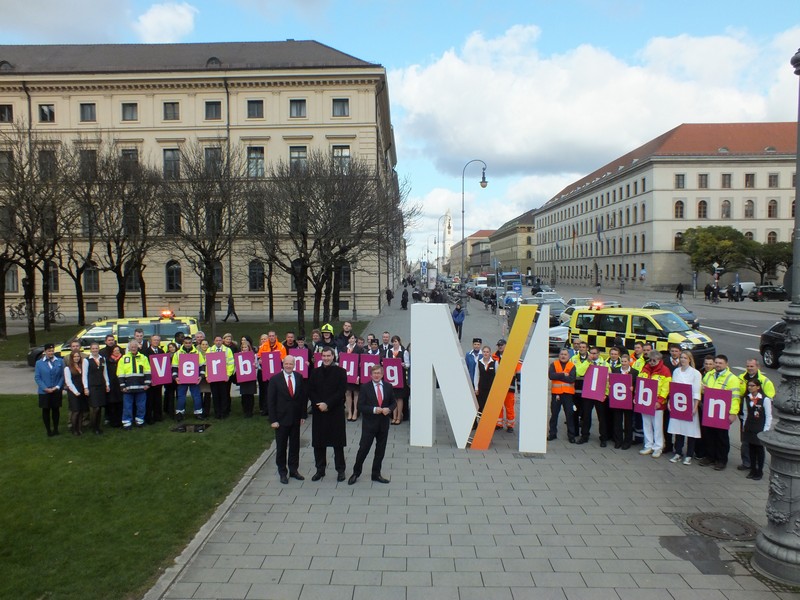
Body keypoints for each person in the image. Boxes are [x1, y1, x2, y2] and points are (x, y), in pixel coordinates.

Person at [349, 364, 396, 485]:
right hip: (369, 425)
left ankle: (376, 474)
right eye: (374, 373)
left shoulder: (388, 386)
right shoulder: (365, 387)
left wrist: (389, 409)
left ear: (382, 374)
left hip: (383, 425)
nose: (376, 375)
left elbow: (393, 403)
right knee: (363, 449)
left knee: (380, 451)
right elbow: (360, 406)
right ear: (371, 375)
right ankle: (356, 472)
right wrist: (375, 409)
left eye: (378, 373)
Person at [308, 348, 348, 482]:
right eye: (324, 356)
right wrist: (319, 404)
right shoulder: (314, 372)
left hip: (335, 411)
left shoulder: (341, 372)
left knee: (338, 443)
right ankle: (320, 470)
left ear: (333, 357)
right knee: (319, 443)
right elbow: (311, 390)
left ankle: (340, 470)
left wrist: (328, 404)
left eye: (328, 356)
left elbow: (341, 391)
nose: (326, 358)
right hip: (319, 412)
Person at [268, 355, 308, 484]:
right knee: (281, 447)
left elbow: (302, 397)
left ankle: (294, 470)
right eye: (286, 364)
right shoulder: (275, 379)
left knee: (295, 446)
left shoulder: (298, 377)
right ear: (283, 364)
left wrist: (303, 415)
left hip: (295, 418)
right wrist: (273, 420)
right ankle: (282, 472)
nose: (289, 366)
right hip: (280, 419)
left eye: (291, 364)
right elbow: (271, 401)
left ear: (294, 365)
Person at [699, 355, 741, 471]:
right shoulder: (709, 374)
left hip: (723, 412)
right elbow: (701, 388)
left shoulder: (732, 379)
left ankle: (721, 460)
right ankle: (710, 457)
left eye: (720, 363)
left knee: (721, 437)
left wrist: (733, 413)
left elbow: (735, 397)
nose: (717, 365)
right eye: (716, 363)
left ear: (726, 364)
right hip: (709, 409)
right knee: (708, 435)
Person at [737, 359, 776, 472]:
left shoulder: (765, 381)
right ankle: (747, 463)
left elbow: (769, 398)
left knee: (757, 444)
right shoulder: (741, 378)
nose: (749, 368)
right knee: (745, 441)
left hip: (759, 418)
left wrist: (766, 427)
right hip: (745, 414)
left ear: (758, 367)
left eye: (752, 366)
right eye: (747, 366)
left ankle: (757, 466)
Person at [668, 351, 702, 465]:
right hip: (678, 404)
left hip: (690, 404)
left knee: (690, 431)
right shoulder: (676, 371)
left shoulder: (696, 373)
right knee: (679, 430)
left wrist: (695, 406)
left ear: (689, 359)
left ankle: (689, 455)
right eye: (681, 357)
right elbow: (673, 388)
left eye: (685, 358)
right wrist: (670, 402)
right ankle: (678, 452)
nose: (683, 360)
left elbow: (697, 391)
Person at [638, 351, 671, 458]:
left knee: (657, 426)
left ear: (659, 360)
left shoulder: (665, 371)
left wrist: (660, 400)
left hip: (657, 403)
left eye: (654, 361)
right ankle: (648, 445)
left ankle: (658, 447)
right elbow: (640, 383)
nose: (651, 362)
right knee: (646, 424)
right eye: (650, 360)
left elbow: (666, 388)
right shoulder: (645, 368)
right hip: (645, 401)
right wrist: (637, 397)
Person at [577, 346, 609, 447]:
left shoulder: (605, 364)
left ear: (599, 354)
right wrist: (587, 361)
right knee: (586, 416)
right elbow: (579, 372)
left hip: (600, 394)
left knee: (602, 417)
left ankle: (603, 438)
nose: (592, 355)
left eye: (595, 353)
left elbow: (608, 381)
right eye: (591, 353)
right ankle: (584, 436)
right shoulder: (587, 362)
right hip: (588, 393)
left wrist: (606, 394)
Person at [117, 340, 151, 430]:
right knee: (127, 406)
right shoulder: (123, 358)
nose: (133, 348)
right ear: (128, 348)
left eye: (135, 347)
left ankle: (140, 421)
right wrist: (122, 386)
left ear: (138, 347)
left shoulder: (143, 358)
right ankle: (127, 423)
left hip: (141, 387)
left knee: (141, 406)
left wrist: (147, 384)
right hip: (127, 388)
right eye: (131, 347)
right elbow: (120, 373)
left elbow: (148, 371)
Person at [742, 380, 772, 480]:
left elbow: (768, 416)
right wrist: (743, 425)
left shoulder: (765, 399)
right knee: (751, 448)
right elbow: (745, 412)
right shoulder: (747, 398)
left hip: (759, 427)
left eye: (752, 385)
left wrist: (766, 429)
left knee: (759, 449)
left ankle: (759, 472)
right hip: (750, 426)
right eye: (749, 385)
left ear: (758, 387)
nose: (750, 387)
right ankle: (753, 470)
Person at [172, 336, 206, 421]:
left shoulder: (197, 353)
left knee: (196, 396)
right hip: (181, 379)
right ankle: (180, 413)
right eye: (186, 343)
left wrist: (201, 377)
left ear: (192, 343)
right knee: (181, 397)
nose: (187, 344)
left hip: (194, 379)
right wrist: (175, 377)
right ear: (183, 343)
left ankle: (198, 413)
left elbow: (202, 366)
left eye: (189, 343)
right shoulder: (177, 353)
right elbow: (174, 367)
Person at [34, 343, 65, 437]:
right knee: (46, 410)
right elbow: (37, 377)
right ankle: (48, 430)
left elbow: (63, 376)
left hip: (56, 390)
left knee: (56, 410)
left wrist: (57, 387)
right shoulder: (39, 363)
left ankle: (56, 429)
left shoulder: (59, 361)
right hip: (44, 392)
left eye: (52, 351)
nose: (51, 352)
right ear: (45, 351)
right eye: (49, 351)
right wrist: (45, 388)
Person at [548, 348, 576, 442]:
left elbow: (572, 379)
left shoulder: (572, 365)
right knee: (554, 415)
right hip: (556, 394)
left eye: (565, 354)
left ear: (568, 356)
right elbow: (551, 376)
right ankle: (552, 434)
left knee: (569, 415)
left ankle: (571, 436)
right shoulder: (554, 364)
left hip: (568, 394)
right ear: (559, 355)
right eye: (561, 354)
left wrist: (558, 375)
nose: (563, 356)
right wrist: (564, 374)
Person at [82, 342, 110, 435]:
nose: (95, 350)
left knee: (100, 407)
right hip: (92, 386)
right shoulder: (86, 360)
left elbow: (105, 373)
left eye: (96, 348)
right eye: (93, 348)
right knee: (96, 407)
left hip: (101, 386)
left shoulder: (103, 359)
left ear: (98, 349)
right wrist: (85, 387)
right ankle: (94, 426)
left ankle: (97, 425)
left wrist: (107, 384)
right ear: (90, 349)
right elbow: (84, 375)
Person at [611, 353, 638, 449]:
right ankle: (618, 441)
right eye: (622, 361)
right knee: (617, 421)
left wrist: (633, 388)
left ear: (629, 362)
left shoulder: (635, 372)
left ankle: (627, 441)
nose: (623, 363)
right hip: (618, 400)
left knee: (628, 422)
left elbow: (637, 386)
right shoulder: (615, 370)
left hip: (629, 401)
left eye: (625, 361)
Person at [493, 339, 518, 433]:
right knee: (498, 406)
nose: (500, 346)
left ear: (505, 345)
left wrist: (519, 385)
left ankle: (510, 425)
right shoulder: (494, 356)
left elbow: (517, 370)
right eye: (499, 345)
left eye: (502, 345)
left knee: (509, 406)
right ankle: (498, 424)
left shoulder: (511, 357)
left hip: (509, 386)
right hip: (498, 386)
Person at [384, 335, 410, 425]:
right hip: (391, 378)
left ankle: (399, 416)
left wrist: (403, 364)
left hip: (400, 377)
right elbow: (386, 361)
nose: (394, 343)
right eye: (393, 342)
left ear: (399, 342)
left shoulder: (404, 351)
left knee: (399, 397)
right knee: (393, 397)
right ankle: (394, 417)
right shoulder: (389, 351)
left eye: (396, 341)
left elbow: (408, 364)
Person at [209, 335, 235, 419]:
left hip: (224, 377)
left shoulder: (227, 350)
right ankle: (217, 413)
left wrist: (228, 375)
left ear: (222, 341)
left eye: (220, 340)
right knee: (215, 395)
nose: (218, 342)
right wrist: (207, 376)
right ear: (214, 341)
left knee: (224, 395)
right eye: (216, 340)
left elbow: (231, 364)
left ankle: (224, 413)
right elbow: (207, 364)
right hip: (213, 377)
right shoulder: (210, 350)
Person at [142, 334, 165, 424]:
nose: (156, 342)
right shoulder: (145, 352)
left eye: (158, 340)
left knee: (158, 398)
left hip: (159, 380)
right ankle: (149, 417)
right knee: (149, 399)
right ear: (150, 341)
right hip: (149, 380)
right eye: (154, 340)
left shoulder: (161, 351)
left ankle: (158, 416)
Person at [63, 350, 87, 436]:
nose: (76, 358)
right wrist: (76, 392)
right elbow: (68, 382)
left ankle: (79, 428)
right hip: (73, 392)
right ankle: (74, 429)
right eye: (75, 357)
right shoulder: (68, 368)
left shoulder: (82, 366)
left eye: (78, 356)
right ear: (71, 358)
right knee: (75, 411)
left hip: (82, 391)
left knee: (81, 411)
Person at [473, 346, 496, 429]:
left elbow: (497, 376)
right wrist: (476, 388)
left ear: (490, 353)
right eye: (484, 352)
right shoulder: (479, 362)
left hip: (491, 389)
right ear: (482, 353)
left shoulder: (495, 363)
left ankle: (488, 425)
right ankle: (479, 424)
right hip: (481, 388)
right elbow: (476, 375)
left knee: (489, 408)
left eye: (487, 352)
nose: (485, 353)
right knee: (480, 407)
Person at [237, 338, 258, 418]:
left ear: (249, 347)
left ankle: (250, 411)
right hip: (243, 377)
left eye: (246, 347)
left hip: (251, 377)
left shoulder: (253, 355)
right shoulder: (239, 355)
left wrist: (255, 365)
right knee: (244, 395)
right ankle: (245, 410)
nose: (244, 349)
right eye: (243, 347)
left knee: (250, 395)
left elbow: (256, 365)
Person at [106, 345, 124, 427]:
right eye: (115, 350)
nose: (117, 352)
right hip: (112, 385)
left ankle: (120, 420)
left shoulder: (123, 359)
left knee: (120, 404)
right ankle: (112, 421)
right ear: (112, 352)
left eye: (118, 350)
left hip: (120, 384)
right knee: (112, 404)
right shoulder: (108, 361)